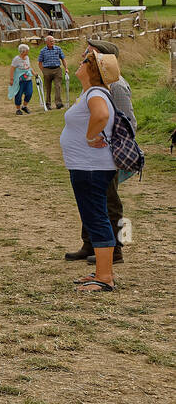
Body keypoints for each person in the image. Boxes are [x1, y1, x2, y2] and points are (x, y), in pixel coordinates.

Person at [65, 40, 133, 265]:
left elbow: (126, 122)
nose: (84, 55)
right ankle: (91, 243)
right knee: (92, 200)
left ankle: (115, 249)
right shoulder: (96, 83)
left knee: (110, 201)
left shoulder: (117, 85)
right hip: (88, 158)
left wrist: (112, 147)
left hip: (107, 155)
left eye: (89, 53)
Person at [60, 50, 119, 291]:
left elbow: (102, 115)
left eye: (85, 61)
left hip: (90, 166)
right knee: (94, 216)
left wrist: (90, 135)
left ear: (92, 70)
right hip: (87, 166)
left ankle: (105, 278)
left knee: (96, 218)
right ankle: (101, 272)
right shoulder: (92, 93)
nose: (80, 63)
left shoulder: (95, 93)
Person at [38, 34, 67, 109]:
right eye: (50, 41)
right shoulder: (43, 51)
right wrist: (43, 71)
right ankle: (48, 104)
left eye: (53, 41)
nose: (52, 42)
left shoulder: (58, 49)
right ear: (46, 42)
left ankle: (58, 103)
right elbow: (40, 62)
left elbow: (63, 59)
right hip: (47, 70)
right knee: (48, 88)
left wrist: (66, 68)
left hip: (57, 69)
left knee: (58, 86)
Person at [9, 44, 35, 115]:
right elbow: (12, 69)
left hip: (28, 79)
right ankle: (18, 109)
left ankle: (24, 106)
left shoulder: (27, 58)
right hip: (19, 80)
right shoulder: (16, 59)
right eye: (27, 50)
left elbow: (29, 67)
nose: (28, 51)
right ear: (23, 51)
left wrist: (34, 74)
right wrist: (11, 79)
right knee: (18, 94)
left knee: (29, 93)